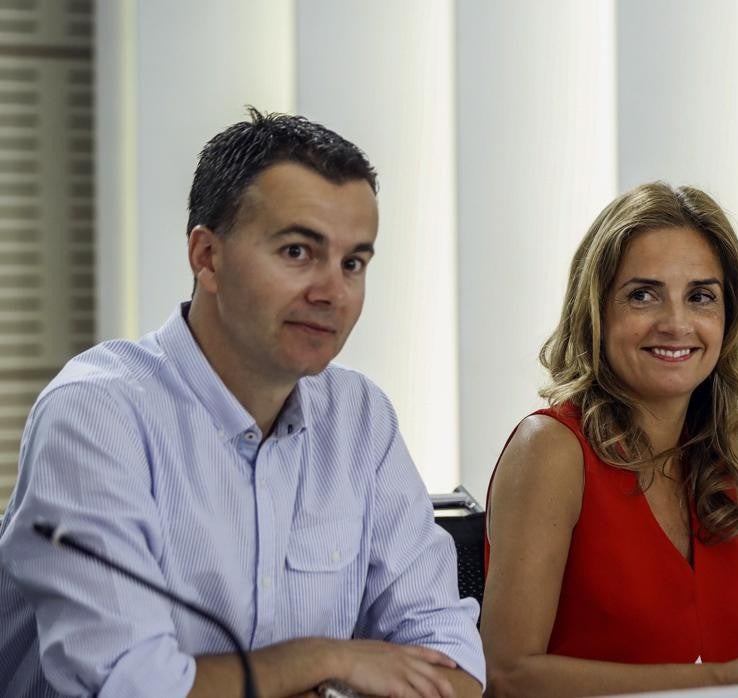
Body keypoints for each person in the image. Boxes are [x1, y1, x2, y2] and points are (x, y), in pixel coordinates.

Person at [0, 109, 484, 697]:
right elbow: (128, 685)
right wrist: (324, 658)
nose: (333, 292)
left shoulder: (361, 418)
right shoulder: (96, 416)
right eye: (298, 252)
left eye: (353, 262)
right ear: (207, 257)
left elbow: (451, 661)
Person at [481, 182, 738, 697]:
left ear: (727, 318)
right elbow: (508, 675)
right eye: (642, 295)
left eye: (700, 297)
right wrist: (725, 680)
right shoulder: (551, 449)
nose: (676, 323)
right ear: (597, 311)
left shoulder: (724, 459)